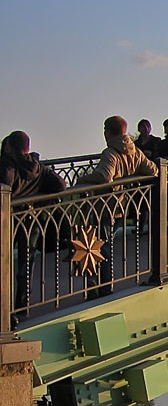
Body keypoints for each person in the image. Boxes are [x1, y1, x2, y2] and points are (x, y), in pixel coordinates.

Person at [76, 116, 159, 294]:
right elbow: (154, 170)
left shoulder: (110, 153)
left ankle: (101, 286)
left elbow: (105, 176)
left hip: (103, 206)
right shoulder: (134, 151)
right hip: (122, 205)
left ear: (108, 132)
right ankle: (101, 285)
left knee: (92, 245)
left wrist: (83, 179)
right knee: (103, 245)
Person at [0, 131, 67, 313]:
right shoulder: (38, 167)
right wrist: (40, 200)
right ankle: (23, 306)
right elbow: (60, 185)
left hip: (8, 219)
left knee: (4, 263)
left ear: (8, 147)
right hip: (31, 218)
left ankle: (5, 311)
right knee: (26, 264)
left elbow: (5, 188)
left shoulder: (7, 163)